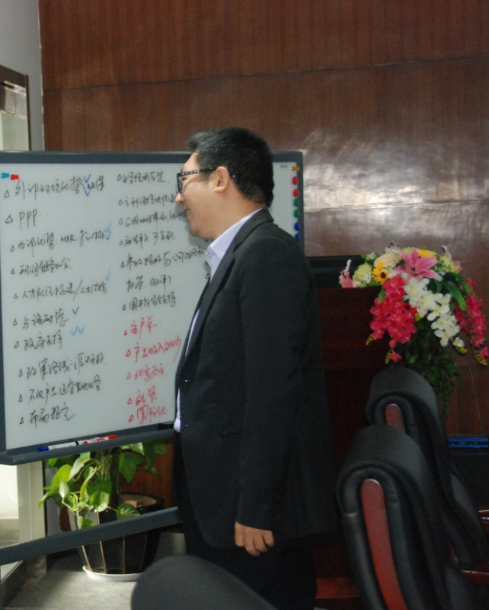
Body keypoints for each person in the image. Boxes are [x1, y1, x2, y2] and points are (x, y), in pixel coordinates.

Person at [172, 127, 337, 610]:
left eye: (185, 180)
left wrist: (256, 508)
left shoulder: (265, 255)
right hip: (223, 497)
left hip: (250, 513)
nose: (179, 197)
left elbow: (272, 394)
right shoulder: (242, 253)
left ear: (220, 178)